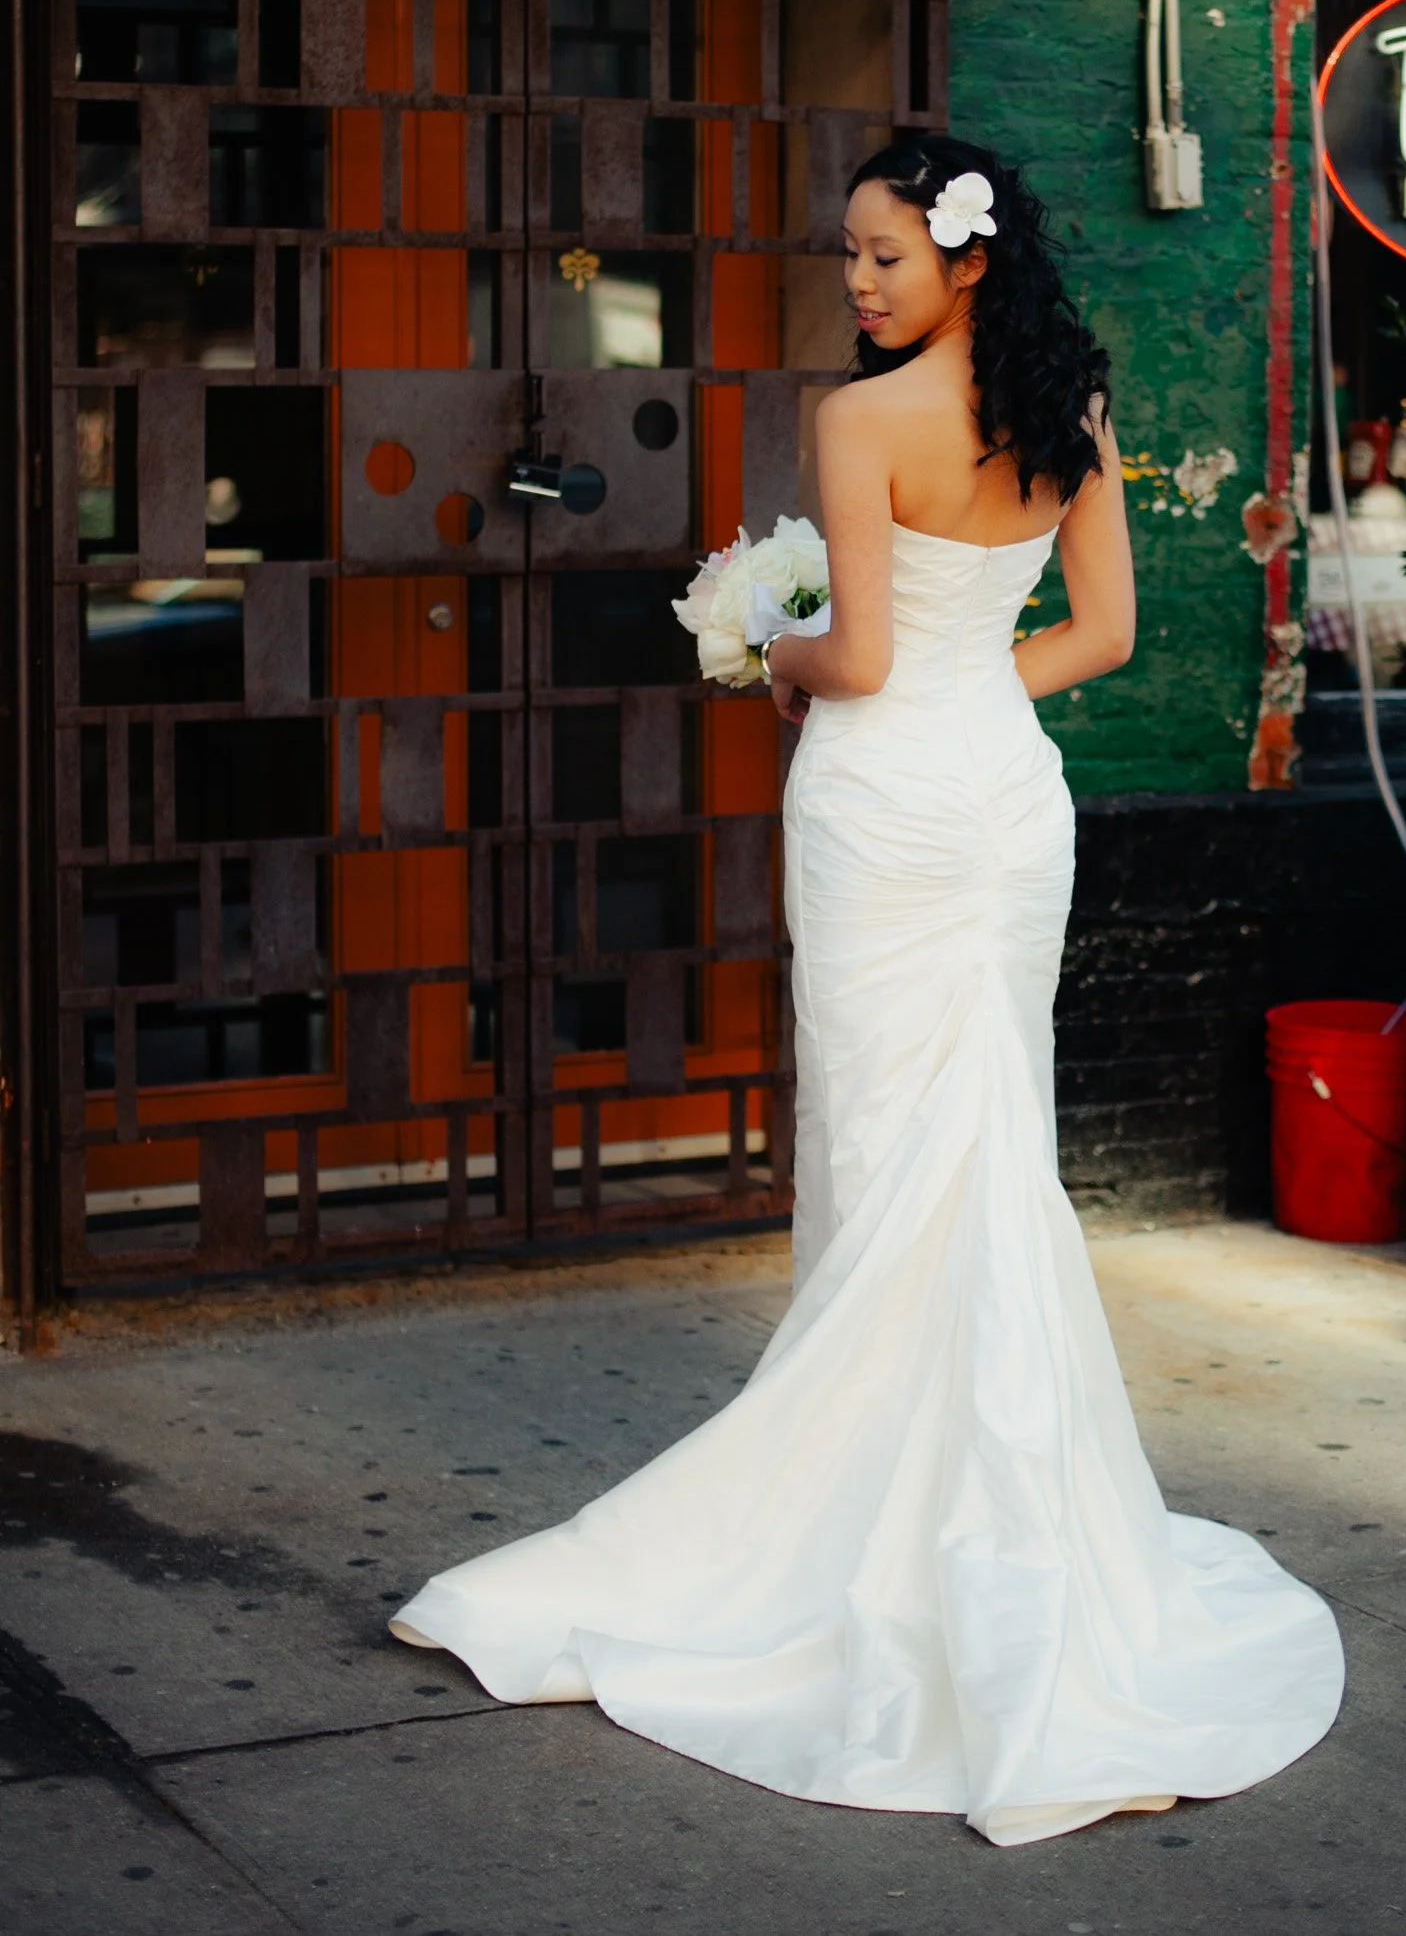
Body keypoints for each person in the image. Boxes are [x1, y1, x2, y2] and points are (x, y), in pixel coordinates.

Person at [390, 137, 1344, 1844]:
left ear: (964, 261)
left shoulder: (856, 423)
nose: (859, 282)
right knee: (982, 1140)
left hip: (882, 803)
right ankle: (990, 1501)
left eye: (885, 256)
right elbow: (1102, 635)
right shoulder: (1072, 408)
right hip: (1000, 797)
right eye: (850, 256)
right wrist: (975, 688)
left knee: (897, 1140)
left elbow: (869, 657)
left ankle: (851, 1515)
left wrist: (770, 654)